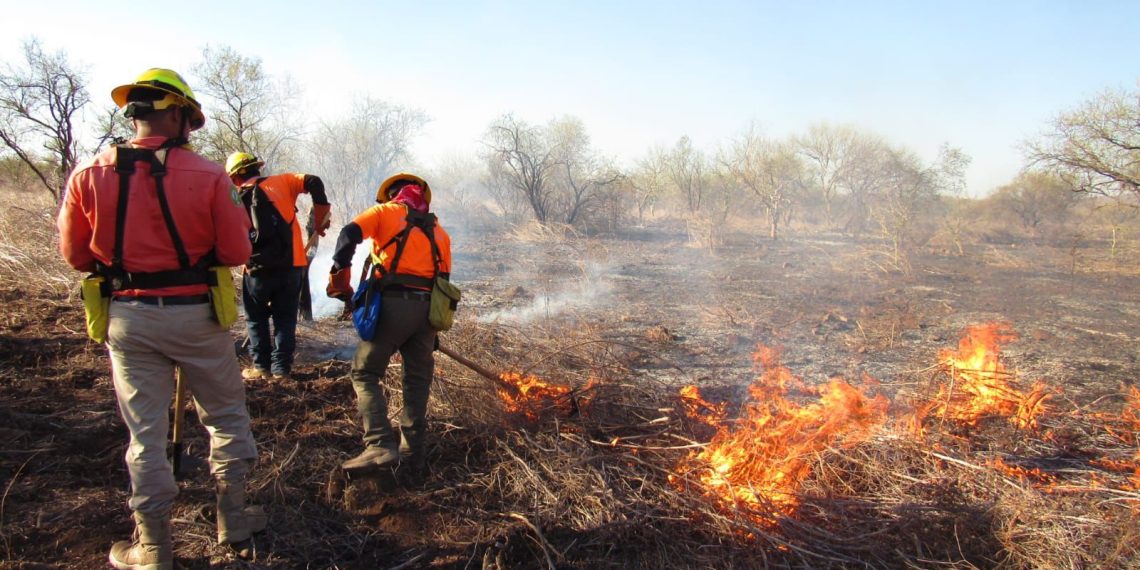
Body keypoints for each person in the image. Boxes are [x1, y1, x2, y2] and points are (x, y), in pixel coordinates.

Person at [57, 68, 266, 568]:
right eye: (189, 121)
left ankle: (152, 549)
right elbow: (237, 249)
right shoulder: (211, 174)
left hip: (128, 319)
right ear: (175, 116)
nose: (190, 131)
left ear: (136, 115)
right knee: (226, 418)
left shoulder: (88, 173)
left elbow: (75, 255)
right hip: (198, 315)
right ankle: (232, 521)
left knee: (145, 435)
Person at [326, 173, 452, 477]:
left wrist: (340, 271)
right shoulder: (440, 232)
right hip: (428, 314)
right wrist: (431, 332)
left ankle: (380, 442)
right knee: (417, 383)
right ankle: (413, 459)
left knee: (364, 372)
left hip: (393, 305)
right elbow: (444, 284)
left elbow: (348, 233)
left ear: (392, 195)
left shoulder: (385, 213)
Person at [225, 152, 331, 381]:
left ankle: (261, 367)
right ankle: (281, 370)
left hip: (255, 269)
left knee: (256, 319)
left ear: (234, 177)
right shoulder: (282, 182)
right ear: (256, 169)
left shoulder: (232, 198)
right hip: (290, 267)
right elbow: (313, 180)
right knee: (285, 319)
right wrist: (320, 217)